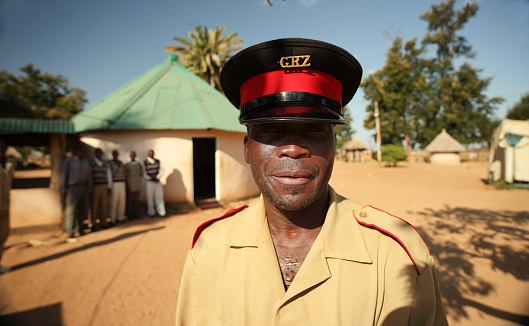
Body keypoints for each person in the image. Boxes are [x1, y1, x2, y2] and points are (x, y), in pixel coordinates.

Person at [176, 38, 448, 325]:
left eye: (314, 130)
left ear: (334, 146)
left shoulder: (398, 256)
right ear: (246, 149)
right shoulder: (209, 248)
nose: (293, 149)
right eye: (269, 130)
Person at [61, 146, 92, 241]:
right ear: (75, 152)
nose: (81, 153)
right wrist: (63, 189)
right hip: (73, 188)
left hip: (84, 187)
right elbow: (64, 175)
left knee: (83, 209)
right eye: (79, 151)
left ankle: (81, 229)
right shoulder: (69, 161)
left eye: (82, 152)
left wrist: (90, 188)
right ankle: (70, 231)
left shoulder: (86, 162)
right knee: (71, 210)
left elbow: (90, 176)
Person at [89, 148, 112, 231]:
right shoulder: (91, 163)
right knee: (94, 205)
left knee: (104, 205)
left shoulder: (105, 163)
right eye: (98, 153)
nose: (100, 154)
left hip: (104, 185)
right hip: (95, 186)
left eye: (101, 153)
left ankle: (104, 222)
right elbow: (89, 176)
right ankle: (93, 223)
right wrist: (90, 187)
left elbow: (109, 175)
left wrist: (109, 186)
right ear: (95, 154)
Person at [0, 141, 14, 273]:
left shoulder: (8, 165)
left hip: (4, 205)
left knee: (3, 234)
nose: (1, 150)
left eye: (3, 148)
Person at [143, 149, 165, 217]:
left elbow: (162, 171)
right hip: (149, 182)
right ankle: (151, 212)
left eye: (152, 153)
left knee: (159, 197)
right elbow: (143, 173)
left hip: (157, 181)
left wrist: (157, 177)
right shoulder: (145, 162)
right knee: (150, 197)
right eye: (150, 153)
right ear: (148, 154)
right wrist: (150, 178)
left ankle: (161, 212)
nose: (151, 154)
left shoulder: (158, 161)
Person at [109, 150, 126, 225]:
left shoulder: (121, 162)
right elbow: (110, 173)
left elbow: (124, 172)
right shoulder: (110, 163)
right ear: (113, 155)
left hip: (122, 183)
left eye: (117, 154)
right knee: (114, 201)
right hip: (114, 183)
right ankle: (112, 219)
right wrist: (116, 166)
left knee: (122, 201)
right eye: (114, 154)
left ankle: (120, 217)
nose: (116, 155)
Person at [125, 151, 143, 220]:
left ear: (135, 156)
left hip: (137, 185)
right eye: (131, 155)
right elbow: (126, 175)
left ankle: (136, 214)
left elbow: (141, 173)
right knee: (130, 201)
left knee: (136, 201)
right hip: (131, 185)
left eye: (134, 155)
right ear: (130, 156)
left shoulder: (138, 164)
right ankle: (130, 215)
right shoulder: (127, 165)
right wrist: (127, 185)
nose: (132, 156)